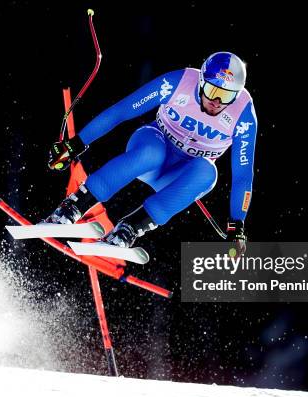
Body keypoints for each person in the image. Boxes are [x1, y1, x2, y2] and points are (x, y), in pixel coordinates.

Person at [47, 51, 257, 252]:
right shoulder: (178, 83)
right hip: (153, 146)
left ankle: (129, 229)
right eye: (212, 91)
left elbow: (242, 175)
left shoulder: (244, 117)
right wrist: (74, 145)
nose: (217, 102)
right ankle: (74, 206)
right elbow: (123, 110)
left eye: (226, 96)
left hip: (177, 174)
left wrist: (237, 224)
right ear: (201, 81)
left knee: (208, 173)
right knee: (152, 152)